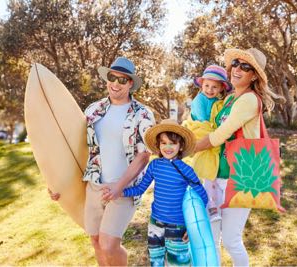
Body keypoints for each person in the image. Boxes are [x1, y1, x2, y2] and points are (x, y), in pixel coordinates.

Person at [49, 57, 155, 266]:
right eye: (112, 77)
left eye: (122, 80)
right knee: (96, 241)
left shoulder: (143, 114)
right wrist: (57, 183)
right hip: (94, 186)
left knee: (108, 245)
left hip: (124, 189)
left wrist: (118, 187)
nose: (115, 83)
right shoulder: (92, 110)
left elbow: (144, 156)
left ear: (131, 83)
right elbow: (76, 150)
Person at [194, 48, 285, 266]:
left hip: (240, 178)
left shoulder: (249, 100)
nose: (237, 69)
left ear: (254, 75)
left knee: (232, 240)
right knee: (212, 238)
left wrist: (189, 149)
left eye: (246, 67)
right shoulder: (228, 99)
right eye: (236, 63)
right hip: (215, 175)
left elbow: (220, 135)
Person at [105, 119, 208, 266]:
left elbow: (203, 196)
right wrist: (120, 192)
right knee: (156, 262)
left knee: (178, 263)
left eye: (172, 143)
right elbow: (140, 188)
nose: (167, 147)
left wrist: (193, 226)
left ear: (180, 146)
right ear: (158, 146)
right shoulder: (154, 165)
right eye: (163, 143)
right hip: (155, 224)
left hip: (178, 226)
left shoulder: (186, 170)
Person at [187, 65, 232, 223]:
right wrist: (215, 133)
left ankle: (212, 205)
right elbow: (202, 121)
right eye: (206, 86)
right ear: (201, 85)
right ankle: (210, 205)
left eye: (214, 87)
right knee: (207, 170)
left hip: (212, 135)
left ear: (221, 88)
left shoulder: (218, 102)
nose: (210, 90)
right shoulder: (199, 100)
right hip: (203, 132)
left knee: (211, 171)